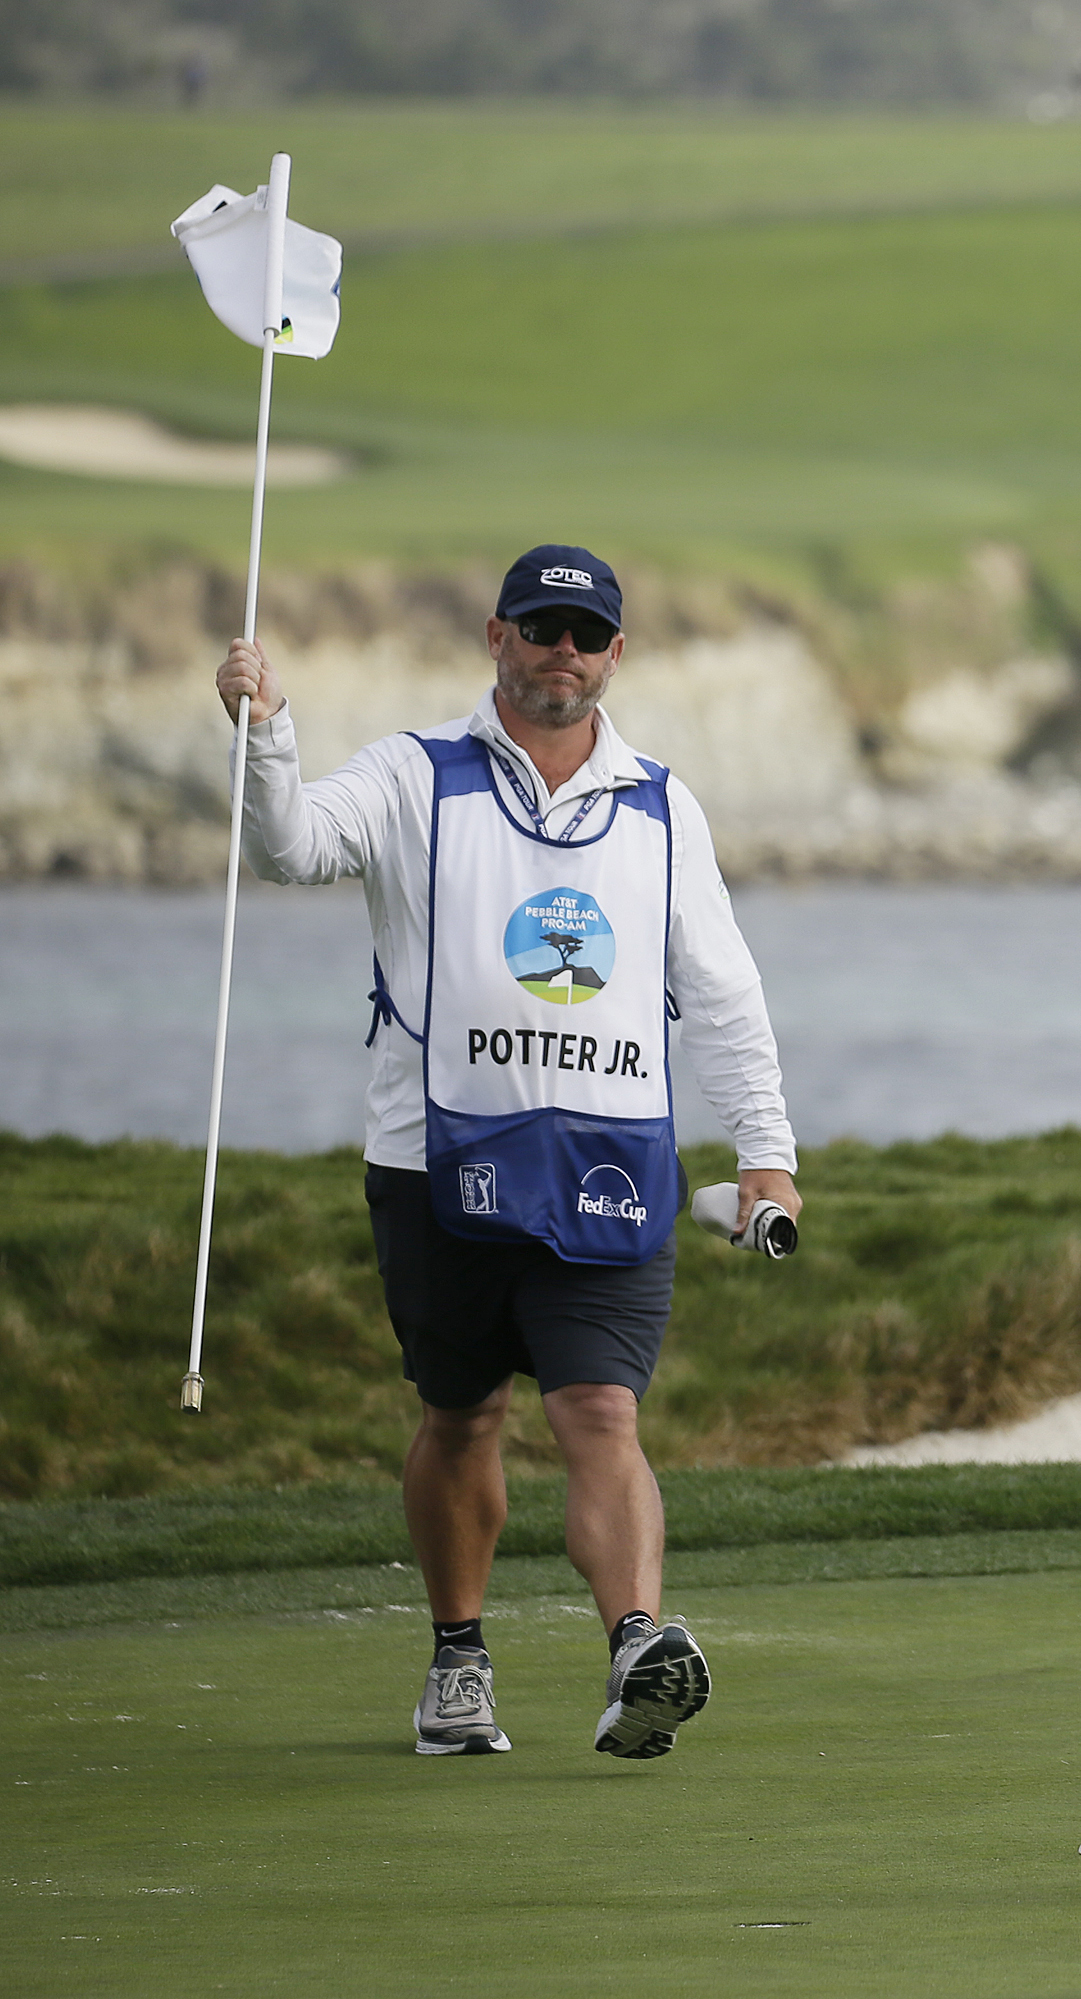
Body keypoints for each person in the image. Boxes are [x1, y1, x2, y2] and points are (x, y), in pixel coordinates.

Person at [214, 545, 799, 1760]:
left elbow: (723, 993)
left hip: (611, 1164)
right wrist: (267, 733)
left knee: (600, 1409)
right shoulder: (413, 773)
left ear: (616, 654)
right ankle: (458, 1657)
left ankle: (636, 1646)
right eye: (540, 627)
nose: (561, 652)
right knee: (462, 1418)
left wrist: (766, 1151)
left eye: (585, 634)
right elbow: (289, 847)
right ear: (497, 637)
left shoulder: (662, 805)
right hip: (434, 1165)